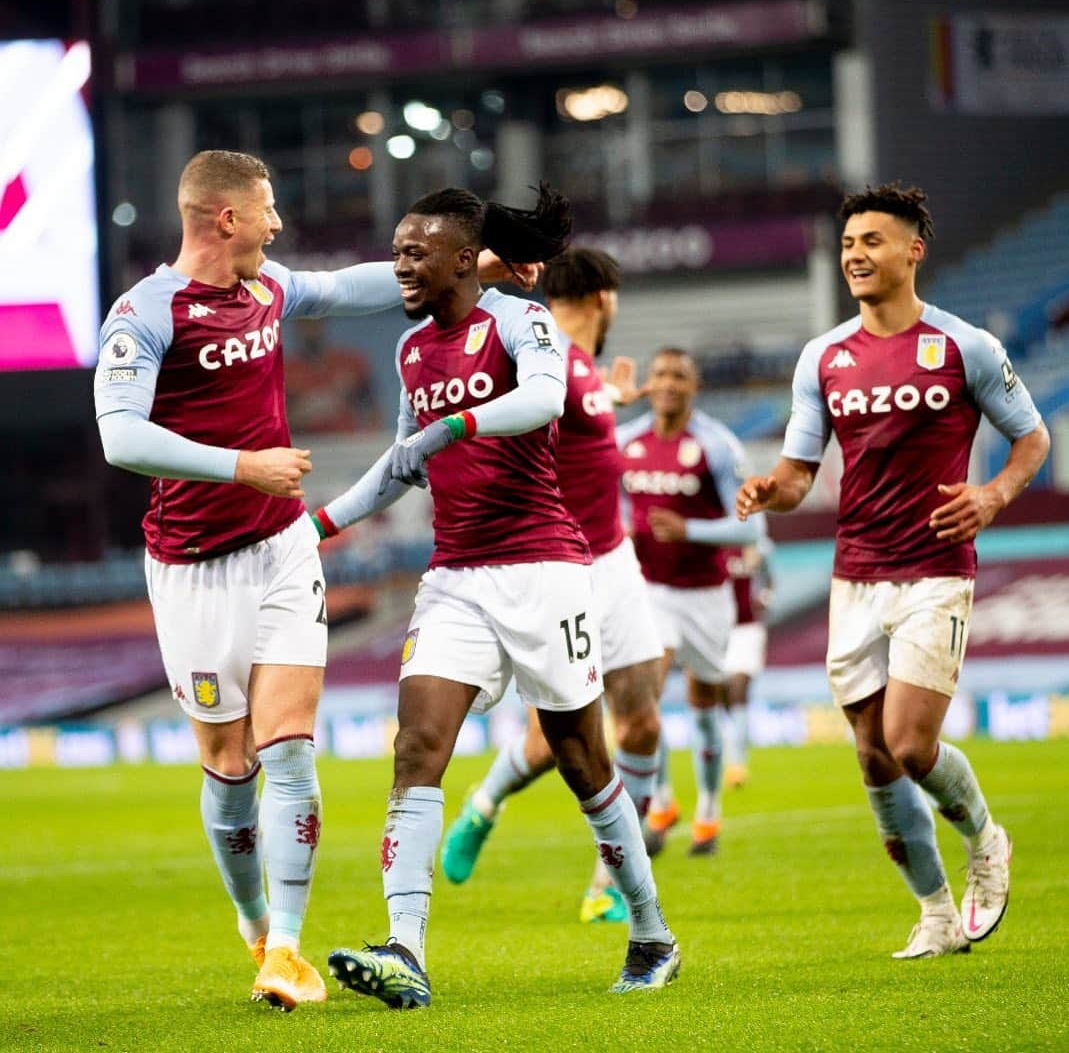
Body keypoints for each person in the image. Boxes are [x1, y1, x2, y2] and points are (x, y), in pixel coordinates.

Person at [93, 149, 534, 1011]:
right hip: (189, 566)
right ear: (225, 218)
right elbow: (118, 435)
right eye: (266, 212)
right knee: (228, 764)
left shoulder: (268, 289)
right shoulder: (146, 311)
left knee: (288, 747)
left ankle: (286, 951)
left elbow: (346, 288)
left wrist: (476, 264)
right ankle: (254, 917)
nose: (278, 226)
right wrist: (239, 465)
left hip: (282, 547)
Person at [313, 188, 680, 1008]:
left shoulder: (519, 322)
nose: (402, 265)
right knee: (416, 749)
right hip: (454, 578)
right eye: (397, 251)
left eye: (416, 252)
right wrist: (319, 524)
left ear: (460, 258)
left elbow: (542, 400)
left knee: (582, 759)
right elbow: (404, 459)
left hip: (544, 568)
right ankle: (404, 948)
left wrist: (455, 426)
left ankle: (652, 931)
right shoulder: (411, 351)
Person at [736, 183, 1049, 958]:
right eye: (847, 244)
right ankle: (935, 913)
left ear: (913, 250)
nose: (854, 255)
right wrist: (769, 490)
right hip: (855, 573)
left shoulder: (964, 346)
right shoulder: (824, 357)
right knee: (872, 756)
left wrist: (993, 493)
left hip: (936, 567)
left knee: (910, 744)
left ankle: (984, 838)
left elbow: (1031, 437)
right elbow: (798, 471)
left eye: (871, 241)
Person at [437, 247, 665, 926]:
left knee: (644, 719)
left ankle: (610, 883)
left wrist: (609, 401)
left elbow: (582, 443)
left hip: (613, 559)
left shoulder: (583, 370)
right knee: (556, 740)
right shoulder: (538, 354)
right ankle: (483, 803)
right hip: (556, 568)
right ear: (605, 297)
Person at [616, 348, 765, 858]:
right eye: (659, 374)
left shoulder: (716, 445)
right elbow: (610, 503)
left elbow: (752, 524)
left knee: (704, 707)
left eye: (679, 375)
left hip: (706, 596)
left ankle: (707, 809)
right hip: (649, 591)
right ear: (648, 383)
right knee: (643, 701)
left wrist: (690, 530)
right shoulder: (625, 441)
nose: (667, 383)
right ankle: (659, 801)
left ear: (694, 386)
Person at [720, 539, 774, 788]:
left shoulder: (756, 545)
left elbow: (769, 578)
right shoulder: (715, 544)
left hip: (748, 629)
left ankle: (737, 764)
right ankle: (733, 746)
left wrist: (765, 597)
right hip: (720, 630)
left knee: (738, 688)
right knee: (723, 696)